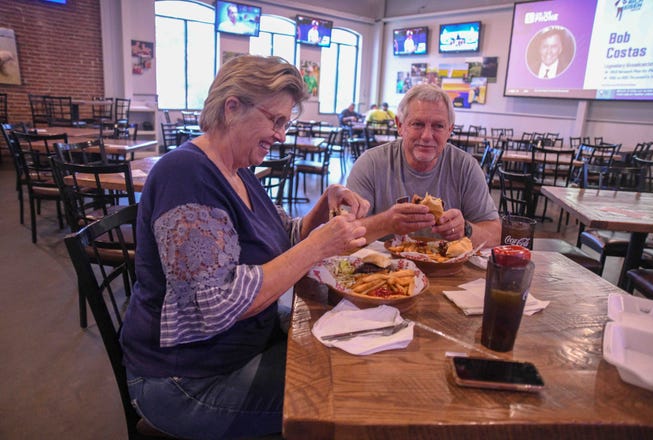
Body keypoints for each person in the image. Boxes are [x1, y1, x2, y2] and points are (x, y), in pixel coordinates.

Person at [119, 55, 369, 439]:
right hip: (187, 380)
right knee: (347, 397)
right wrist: (319, 246)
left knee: (348, 359)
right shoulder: (185, 173)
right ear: (232, 107)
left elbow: (282, 237)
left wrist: (324, 207)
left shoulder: (238, 171)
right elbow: (214, 304)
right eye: (276, 120)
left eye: (286, 123)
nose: (282, 135)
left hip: (237, 352)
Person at [346, 83, 501, 247]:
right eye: (418, 124)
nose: (427, 136)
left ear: (449, 130)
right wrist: (386, 223)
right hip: (385, 270)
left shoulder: (466, 167)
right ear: (400, 125)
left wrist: (466, 229)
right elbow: (342, 235)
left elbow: (495, 234)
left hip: (447, 271)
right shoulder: (371, 164)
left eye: (438, 126)